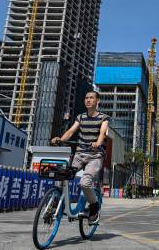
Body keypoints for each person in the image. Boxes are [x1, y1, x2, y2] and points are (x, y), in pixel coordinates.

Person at [51, 90, 109, 222]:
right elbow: (71, 131)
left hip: (95, 156)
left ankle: (94, 206)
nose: (88, 100)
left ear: (97, 101)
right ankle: (58, 202)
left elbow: (102, 133)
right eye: (86, 98)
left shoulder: (103, 118)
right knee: (62, 175)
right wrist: (60, 139)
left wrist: (98, 143)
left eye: (91, 98)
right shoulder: (81, 117)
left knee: (85, 182)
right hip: (79, 155)